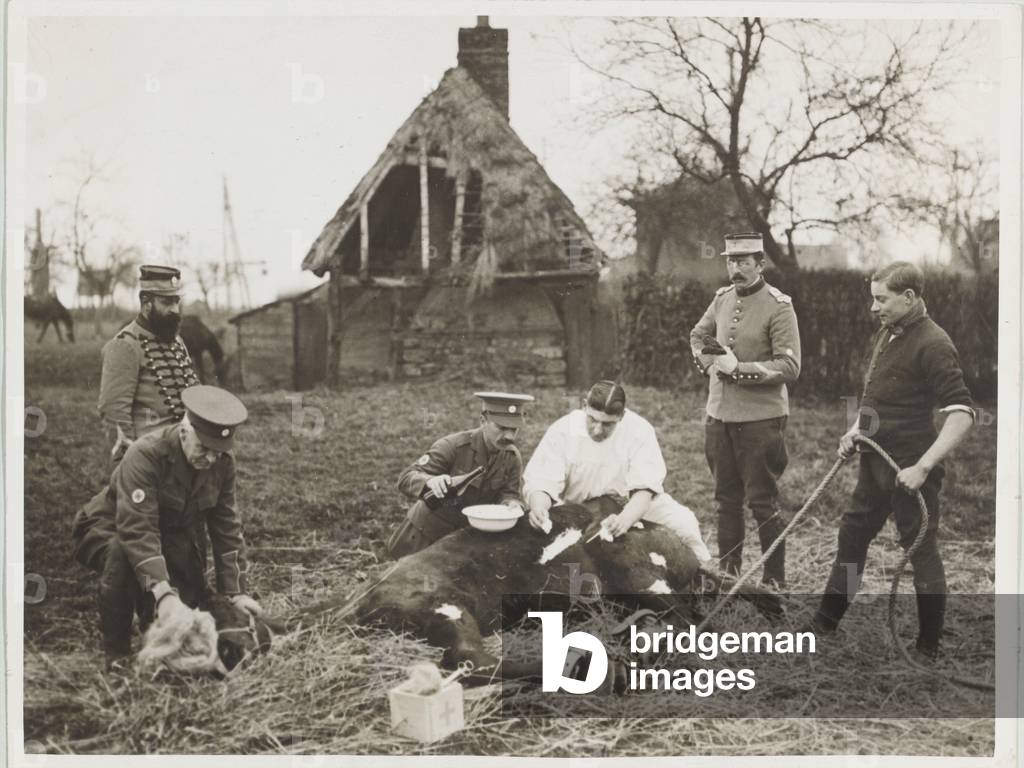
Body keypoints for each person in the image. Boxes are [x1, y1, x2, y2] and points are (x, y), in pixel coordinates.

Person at [809, 262, 975, 662]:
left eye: (881, 299)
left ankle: (928, 647)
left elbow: (962, 414)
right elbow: (876, 400)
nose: (873, 307)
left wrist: (922, 467)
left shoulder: (934, 343)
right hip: (874, 467)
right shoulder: (887, 333)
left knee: (921, 551)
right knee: (851, 539)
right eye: (873, 298)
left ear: (909, 298)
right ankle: (825, 623)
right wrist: (856, 431)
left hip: (910, 474)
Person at [71, 385, 261, 667]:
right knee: (123, 556)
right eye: (204, 449)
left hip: (170, 533)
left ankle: (151, 616)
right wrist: (162, 593)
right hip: (110, 525)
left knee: (191, 603)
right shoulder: (146, 454)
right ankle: (117, 655)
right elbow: (137, 529)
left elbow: (227, 528)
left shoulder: (222, 463)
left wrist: (236, 592)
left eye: (217, 452)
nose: (210, 459)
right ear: (184, 431)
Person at [689, 232, 801, 588]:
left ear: (760, 264)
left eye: (743, 262)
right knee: (725, 501)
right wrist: (711, 364)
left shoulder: (779, 305)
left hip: (760, 421)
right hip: (719, 417)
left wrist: (739, 369)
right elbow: (698, 335)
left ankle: (773, 581)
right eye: (730, 261)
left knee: (762, 503)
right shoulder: (721, 300)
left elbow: (789, 366)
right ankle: (729, 576)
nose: (735, 269)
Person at [524, 380, 711, 563]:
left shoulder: (640, 430)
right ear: (584, 406)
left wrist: (624, 520)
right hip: (579, 508)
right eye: (592, 419)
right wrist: (539, 507)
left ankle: (704, 576)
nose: (597, 430)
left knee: (684, 522)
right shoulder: (563, 430)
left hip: (629, 504)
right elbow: (542, 480)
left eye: (607, 424)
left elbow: (645, 489)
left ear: (622, 416)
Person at [386, 392, 534, 559]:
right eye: (501, 428)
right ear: (483, 421)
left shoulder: (512, 457)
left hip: (465, 540)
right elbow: (406, 478)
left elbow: (509, 493)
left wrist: (512, 505)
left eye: (513, 429)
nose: (509, 436)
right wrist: (431, 481)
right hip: (425, 537)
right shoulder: (454, 446)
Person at [98, 264, 199, 465]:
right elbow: (114, 413)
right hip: (151, 458)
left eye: (176, 302)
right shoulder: (125, 345)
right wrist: (132, 466)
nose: (174, 310)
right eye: (166, 302)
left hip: (186, 455)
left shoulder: (177, 342)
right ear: (146, 302)